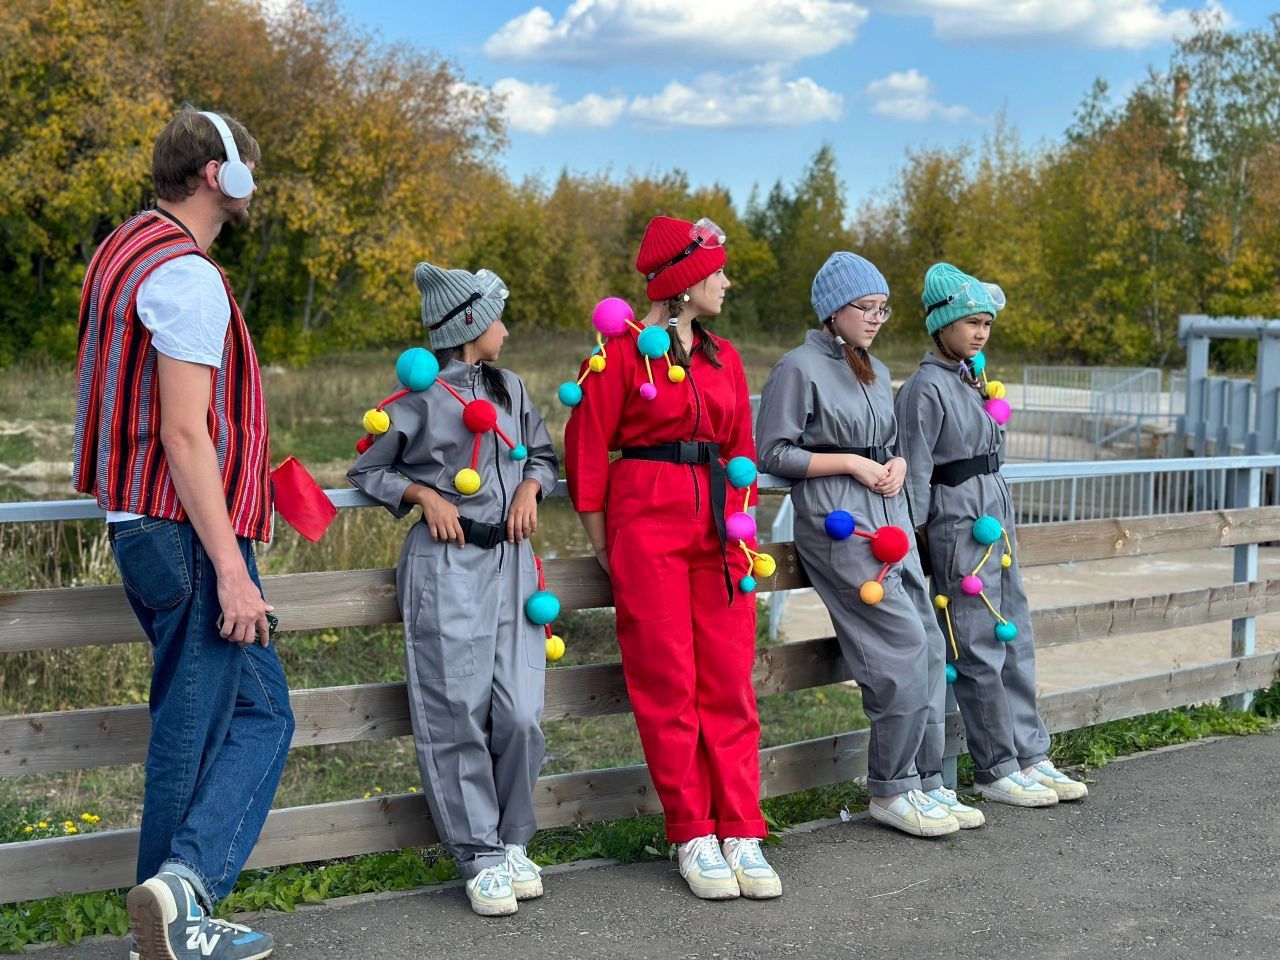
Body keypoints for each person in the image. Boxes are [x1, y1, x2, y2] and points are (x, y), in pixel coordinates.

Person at [73, 107, 292, 960]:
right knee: (195, 725)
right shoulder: (188, 276)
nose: (253, 185)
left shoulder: (123, 247)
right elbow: (182, 433)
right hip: (185, 535)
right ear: (219, 176)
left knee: (260, 712)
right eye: (250, 169)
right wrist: (234, 572)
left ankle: (178, 898)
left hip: (144, 524)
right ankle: (177, 908)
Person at [563, 216, 782, 900]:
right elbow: (587, 446)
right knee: (667, 686)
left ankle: (741, 828)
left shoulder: (726, 358)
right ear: (684, 284)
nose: (726, 280)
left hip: (722, 530)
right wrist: (607, 543)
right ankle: (692, 832)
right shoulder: (618, 355)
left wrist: (745, 526)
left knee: (727, 680)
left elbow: (742, 445)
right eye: (716, 270)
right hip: (646, 521)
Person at [348, 262, 559, 916]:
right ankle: (480, 852)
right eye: (497, 316)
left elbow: (544, 456)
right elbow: (366, 468)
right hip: (446, 565)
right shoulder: (415, 397)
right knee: (455, 707)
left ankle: (515, 838)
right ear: (471, 325)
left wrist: (529, 487)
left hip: (515, 565)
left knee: (521, 709)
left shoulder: (513, 389)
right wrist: (419, 495)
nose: (506, 327)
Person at [756, 252, 983, 838]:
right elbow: (773, 453)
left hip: (892, 519)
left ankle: (925, 781)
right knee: (900, 651)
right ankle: (890, 787)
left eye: (884, 308)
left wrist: (897, 461)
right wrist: (852, 463)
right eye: (867, 308)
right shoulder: (798, 368)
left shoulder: (876, 370)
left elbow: (888, 442)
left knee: (931, 647)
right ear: (835, 310)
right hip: (840, 526)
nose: (878, 318)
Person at [894, 262, 1089, 808]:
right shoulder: (923, 390)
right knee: (977, 645)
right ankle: (996, 765)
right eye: (971, 322)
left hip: (995, 522)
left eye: (987, 323)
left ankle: (1030, 753)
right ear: (942, 324)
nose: (980, 332)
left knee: (1016, 639)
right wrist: (920, 539)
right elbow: (915, 474)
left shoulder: (972, 379)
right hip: (958, 527)